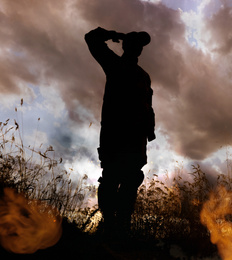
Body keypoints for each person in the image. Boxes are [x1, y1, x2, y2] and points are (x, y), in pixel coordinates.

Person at [85, 27, 155, 236]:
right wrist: (116, 34)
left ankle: (122, 226)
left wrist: (148, 132)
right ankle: (108, 224)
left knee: (131, 180)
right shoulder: (114, 64)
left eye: (140, 46)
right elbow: (91, 38)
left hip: (136, 140)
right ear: (126, 45)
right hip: (115, 136)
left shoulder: (144, 76)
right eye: (134, 44)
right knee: (111, 178)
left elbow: (148, 107)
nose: (138, 49)